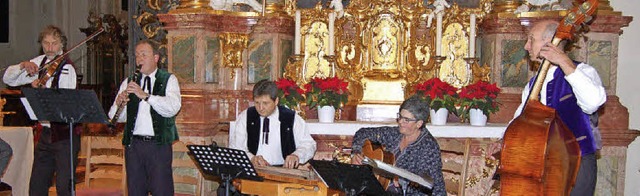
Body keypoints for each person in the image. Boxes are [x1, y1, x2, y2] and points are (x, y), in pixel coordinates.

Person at [513, 20, 606, 196]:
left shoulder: (583, 71)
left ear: (550, 43)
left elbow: (594, 102)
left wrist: (564, 62)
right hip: (540, 166)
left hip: (575, 164)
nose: (526, 46)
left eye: (531, 39)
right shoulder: (532, 85)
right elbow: (519, 122)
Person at [3, 25, 80, 196]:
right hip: (45, 133)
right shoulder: (38, 62)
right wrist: (23, 65)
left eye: (54, 43)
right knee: (37, 186)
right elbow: (8, 78)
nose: (50, 48)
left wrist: (41, 89)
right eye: (46, 43)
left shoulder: (67, 68)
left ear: (62, 45)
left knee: (63, 187)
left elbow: (63, 100)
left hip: (64, 134)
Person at [108, 39, 181, 196]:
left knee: (162, 191)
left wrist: (146, 96)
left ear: (155, 58)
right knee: (135, 191)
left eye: (144, 55)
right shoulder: (129, 82)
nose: (139, 59)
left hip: (158, 146)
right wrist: (119, 103)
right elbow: (115, 118)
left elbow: (173, 108)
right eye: (137, 56)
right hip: (134, 146)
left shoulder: (169, 79)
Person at [351, 95, 446, 195]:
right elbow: (362, 133)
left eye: (406, 120)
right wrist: (357, 152)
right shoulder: (395, 134)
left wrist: (404, 183)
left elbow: (426, 187)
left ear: (419, 124)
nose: (400, 122)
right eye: (400, 116)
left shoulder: (429, 147)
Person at [230, 79, 316, 169]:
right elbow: (236, 146)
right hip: (254, 169)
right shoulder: (246, 116)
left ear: (276, 101)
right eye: (257, 103)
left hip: (283, 172)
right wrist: (251, 158)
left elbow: (309, 144)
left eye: (265, 103)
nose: (260, 108)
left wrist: (296, 155)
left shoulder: (290, 118)